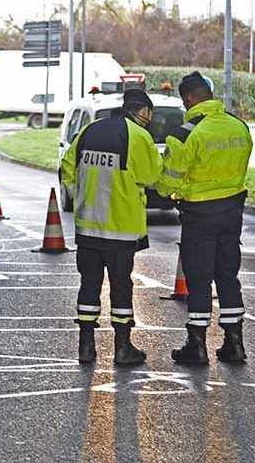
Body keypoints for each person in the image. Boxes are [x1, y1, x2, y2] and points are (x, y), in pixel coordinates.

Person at [155, 71, 253, 365]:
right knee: (227, 275)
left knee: (198, 278)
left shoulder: (185, 134)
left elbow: (168, 181)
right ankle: (234, 343)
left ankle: (196, 345)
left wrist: (163, 189)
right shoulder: (239, 126)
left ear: (189, 99)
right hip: (233, 210)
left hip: (199, 214)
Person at [61, 89, 163, 365]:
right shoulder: (139, 137)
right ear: (143, 111)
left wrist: (81, 197)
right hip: (121, 227)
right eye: (150, 114)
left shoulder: (89, 131)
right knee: (120, 287)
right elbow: (151, 175)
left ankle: (86, 346)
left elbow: (67, 168)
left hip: (88, 227)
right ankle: (122, 347)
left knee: (89, 284)